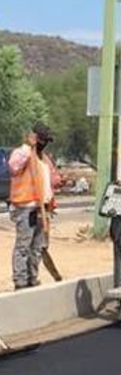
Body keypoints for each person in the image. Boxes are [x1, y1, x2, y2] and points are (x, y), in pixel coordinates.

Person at [8, 122, 61, 290]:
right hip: (26, 206)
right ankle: (21, 280)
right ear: (35, 138)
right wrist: (27, 146)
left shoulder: (44, 158)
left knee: (37, 247)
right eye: (42, 140)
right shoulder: (22, 153)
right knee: (24, 245)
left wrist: (57, 182)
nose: (44, 144)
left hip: (42, 208)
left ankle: (32, 278)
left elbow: (51, 179)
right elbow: (13, 166)